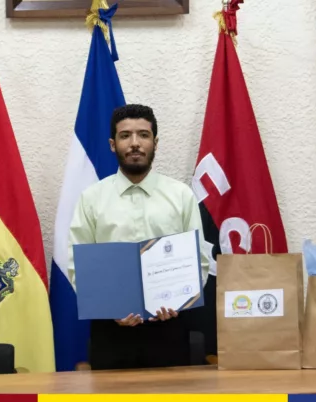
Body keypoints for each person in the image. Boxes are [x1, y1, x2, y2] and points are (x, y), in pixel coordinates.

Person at [66, 104, 210, 370]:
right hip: (110, 330)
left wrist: (179, 300)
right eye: (125, 136)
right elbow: (78, 263)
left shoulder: (180, 196)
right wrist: (109, 308)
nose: (135, 143)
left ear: (155, 143)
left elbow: (199, 261)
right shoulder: (92, 198)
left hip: (169, 326)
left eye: (143, 135)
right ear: (112, 144)